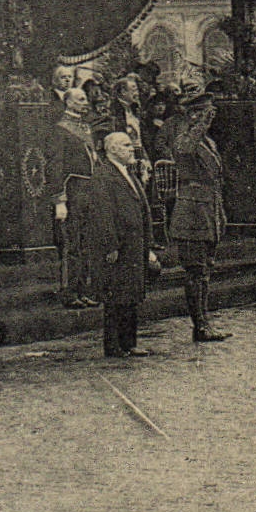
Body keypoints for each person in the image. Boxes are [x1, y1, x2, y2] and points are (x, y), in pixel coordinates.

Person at [163, 86, 231, 342]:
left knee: (204, 272)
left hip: (208, 212)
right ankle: (199, 326)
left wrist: (220, 214)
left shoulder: (207, 142)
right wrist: (200, 125)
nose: (209, 118)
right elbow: (183, 149)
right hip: (191, 215)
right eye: (204, 113)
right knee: (195, 272)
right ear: (193, 115)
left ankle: (204, 323)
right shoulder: (184, 138)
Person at [88, 131, 159, 358]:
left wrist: (148, 244)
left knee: (131, 294)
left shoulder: (128, 173)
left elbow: (142, 208)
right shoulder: (103, 175)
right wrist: (111, 245)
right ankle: (115, 345)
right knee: (116, 295)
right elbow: (103, 213)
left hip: (134, 244)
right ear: (113, 149)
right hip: (120, 247)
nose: (132, 149)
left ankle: (129, 342)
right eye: (126, 145)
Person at [48, 87, 97, 307]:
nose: (85, 102)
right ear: (68, 102)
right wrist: (60, 199)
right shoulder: (60, 129)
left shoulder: (85, 126)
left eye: (85, 99)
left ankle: (83, 290)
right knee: (72, 243)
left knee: (86, 242)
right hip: (72, 190)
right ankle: (69, 293)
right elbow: (55, 166)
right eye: (80, 99)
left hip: (88, 189)